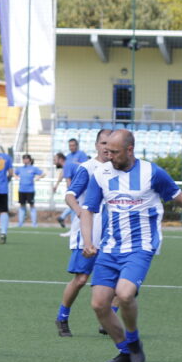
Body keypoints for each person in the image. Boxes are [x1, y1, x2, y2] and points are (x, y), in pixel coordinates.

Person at [80, 128, 182, 362]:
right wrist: (88, 242)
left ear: (129, 150)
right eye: (107, 151)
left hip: (141, 246)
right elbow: (88, 210)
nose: (109, 156)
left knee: (125, 294)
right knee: (99, 304)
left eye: (115, 152)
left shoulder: (153, 173)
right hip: (110, 247)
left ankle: (133, 341)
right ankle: (125, 351)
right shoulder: (101, 174)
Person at [55, 129, 111, 336]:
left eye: (110, 143)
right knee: (80, 279)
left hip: (114, 234)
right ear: (96, 145)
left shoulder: (121, 169)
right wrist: (80, 212)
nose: (107, 147)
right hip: (89, 232)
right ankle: (62, 317)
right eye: (103, 143)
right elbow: (70, 195)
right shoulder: (87, 168)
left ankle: (109, 320)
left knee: (122, 282)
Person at [55, 139, 88, 231]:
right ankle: (73, 229)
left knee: (77, 206)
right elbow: (64, 173)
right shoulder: (68, 157)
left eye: (73, 145)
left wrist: (70, 192)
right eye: (70, 145)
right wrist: (57, 184)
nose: (71, 147)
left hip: (82, 186)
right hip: (75, 186)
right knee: (74, 206)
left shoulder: (81, 154)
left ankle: (74, 228)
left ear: (77, 145)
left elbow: (86, 167)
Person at [14, 155, 44, 227]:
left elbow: (43, 173)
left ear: (29, 160)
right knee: (22, 205)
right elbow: (14, 173)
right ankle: (20, 223)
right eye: (23, 159)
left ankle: (34, 224)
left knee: (32, 205)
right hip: (21, 190)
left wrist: (38, 178)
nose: (24, 160)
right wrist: (16, 177)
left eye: (26, 159)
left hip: (30, 190)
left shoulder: (33, 168)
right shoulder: (20, 168)